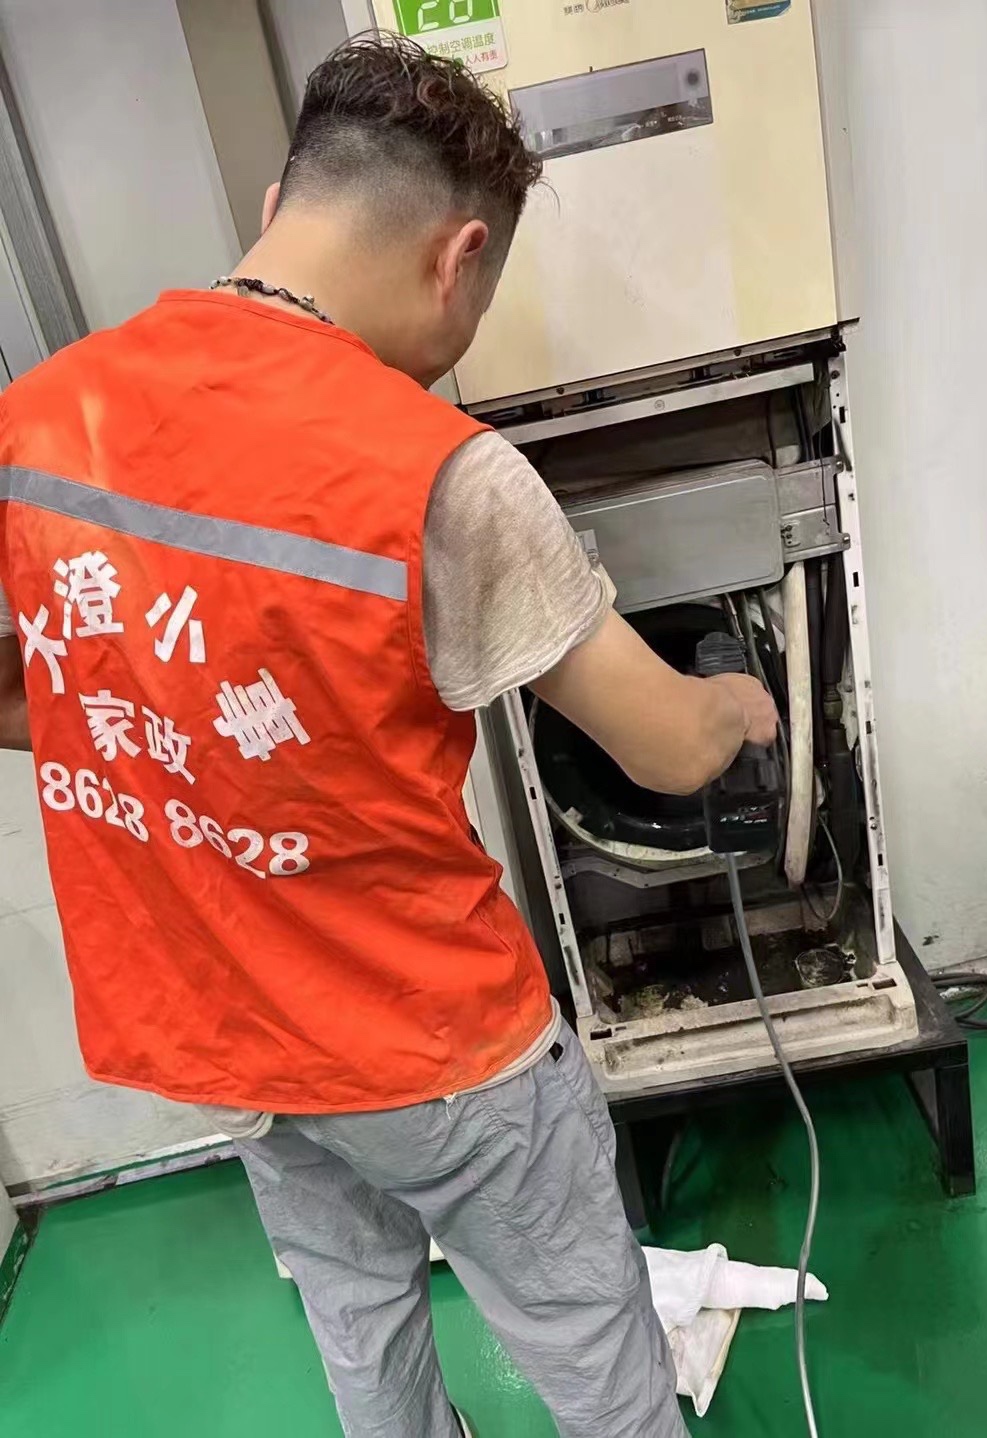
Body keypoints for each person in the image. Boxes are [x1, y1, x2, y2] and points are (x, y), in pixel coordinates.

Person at [0, 35, 776, 1438]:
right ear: (459, 258)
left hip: (235, 1032)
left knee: (363, 1333)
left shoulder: (44, 419)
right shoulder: (436, 470)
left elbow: (40, 685)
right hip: (435, 1040)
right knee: (591, 1349)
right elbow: (667, 751)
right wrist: (740, 702)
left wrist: (151, 715)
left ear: (276, 202)